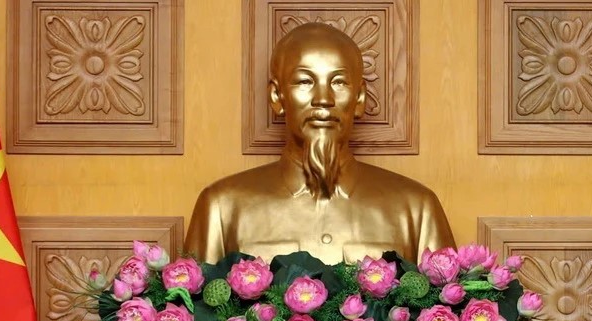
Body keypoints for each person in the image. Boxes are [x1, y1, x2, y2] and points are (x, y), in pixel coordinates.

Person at [183, 22, 455, 265]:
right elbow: (192, 304)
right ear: (276, 96)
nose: (323, 99)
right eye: (304, 81)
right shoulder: (221, 208)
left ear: (360, 98)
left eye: (339, 82)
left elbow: (446, 302)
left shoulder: (417, 210)